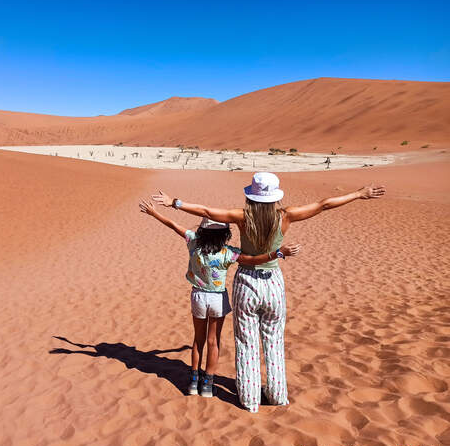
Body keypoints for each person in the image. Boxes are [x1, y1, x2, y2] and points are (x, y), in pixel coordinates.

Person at [151, 172, 385, 412]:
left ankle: (250, 400)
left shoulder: (243, 216)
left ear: (251, 196)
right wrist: (359, 194)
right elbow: (324, 204)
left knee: (246, 343)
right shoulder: (286, 216)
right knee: (273, 341)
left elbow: (208, 213)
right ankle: (277, 395)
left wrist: (175, 203)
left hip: (246, 283)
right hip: (273, 283)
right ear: (274, 196)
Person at [138, 198, 300, 398]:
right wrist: (277, 253)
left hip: (198, 296)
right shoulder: (228, 253)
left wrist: (154, 213)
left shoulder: (193, 242)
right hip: (217, 300)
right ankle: (208, 384)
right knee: (213, 341)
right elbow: (253, 259)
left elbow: (173, 225)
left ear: (203, 231)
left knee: (198, 341)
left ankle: (194, 381)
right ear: (225, 234)